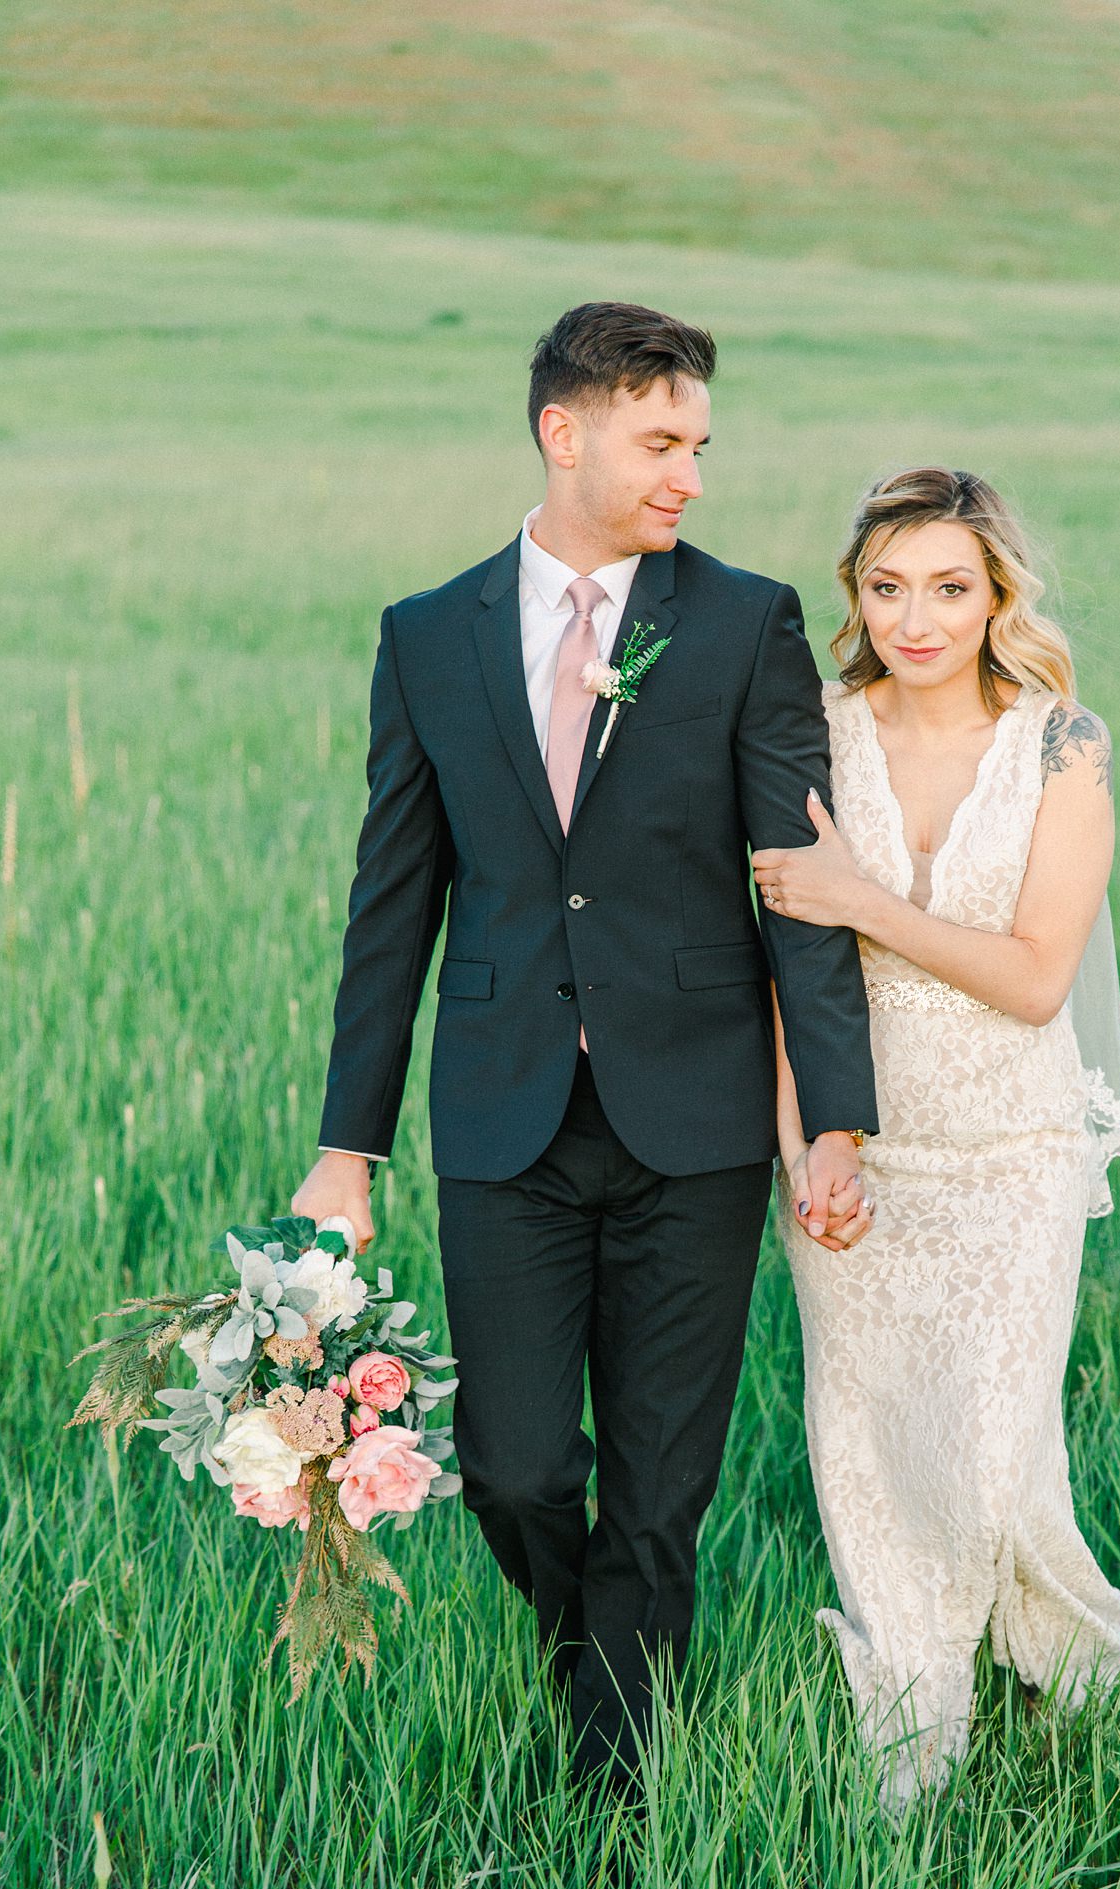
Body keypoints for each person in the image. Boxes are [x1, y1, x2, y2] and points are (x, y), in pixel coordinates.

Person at [292, 302, 878, 1787]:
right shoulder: (428, 637)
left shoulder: (744, 623)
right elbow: (393, 905)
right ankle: (599, 1658)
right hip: (501, 1118)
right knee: (518, 1468)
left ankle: (616, 1807)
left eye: (700, 444)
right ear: (567, 432)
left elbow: (799, 896)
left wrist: (836, 1122)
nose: (690, 473)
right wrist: (342, 1152)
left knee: (660, 1496)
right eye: (661, 440)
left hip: (697, 1121)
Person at [751, 467, 1120, 1813]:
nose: (918, 617)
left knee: (988, 1447)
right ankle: (916, 1718)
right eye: (888, 586)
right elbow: (788, 970)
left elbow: (1038, 977)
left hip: (1014, 1145)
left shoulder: (1063, 745)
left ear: (998, 596)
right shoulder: (806, 733)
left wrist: (863, 897)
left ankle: (1070, 1640)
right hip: (858, 1147)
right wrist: (814, 1145)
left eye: (951, 588)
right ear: (855, 595)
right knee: (865, 1437)